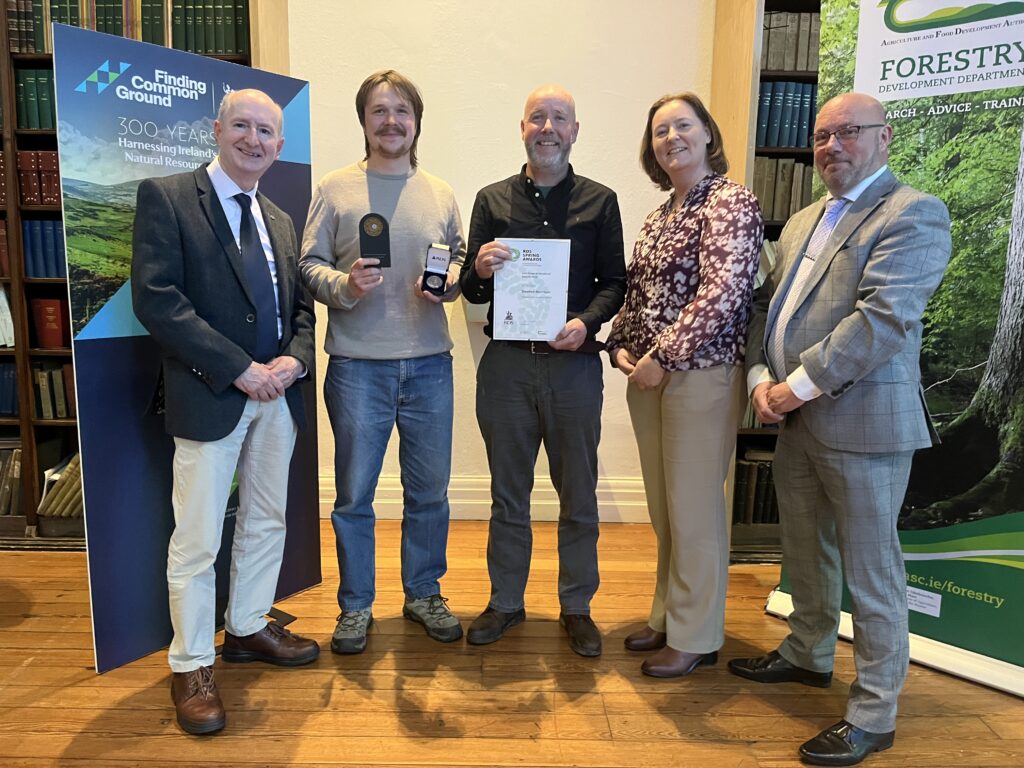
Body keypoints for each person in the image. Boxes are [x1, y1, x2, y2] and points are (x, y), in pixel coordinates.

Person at [728, 92, 951, 766]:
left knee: (872, 569)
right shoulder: (800, 221)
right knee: (806, 550)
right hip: (795, 419)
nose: (831, 147)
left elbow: (882, 321)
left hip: (865, 425)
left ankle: (875, 712)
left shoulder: (913, 214)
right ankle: (807, 653)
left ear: (884, 138)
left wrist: (789, 389)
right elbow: (765, 311)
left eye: (848, 133)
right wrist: (758, 380)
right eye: (822, 136)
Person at [131, 88, 319, 736]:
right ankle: (190, 665)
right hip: (213, 393)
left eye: (266, 131)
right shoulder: (169, 197)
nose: (254, 139)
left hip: (278, 395)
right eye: (242, 125)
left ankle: (246, 627)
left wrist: (293, 362)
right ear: (216, 129)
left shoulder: (283, 220)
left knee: (266, 519)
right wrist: (240, 369)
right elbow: (158, 300)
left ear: (280, 144)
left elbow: (299, 310)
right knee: (198, 539)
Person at [299, 70, 466, 655]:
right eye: (378, 110)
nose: (390, 120)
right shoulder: (336, 188)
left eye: (401, 110)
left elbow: (459, 263)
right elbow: (309, 264)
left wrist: (445, 288)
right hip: (357, 369)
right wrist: (345, 285)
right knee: (353, 497)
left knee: (430, 493)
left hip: (429, 366)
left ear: (417, 121)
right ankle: (355, 607)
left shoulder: (442, 193)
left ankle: (423, 593)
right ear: (363, 121)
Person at [459, 84, 626, 657]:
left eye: (559, 118)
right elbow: (472, 287)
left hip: (573, 368)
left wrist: (586, 322)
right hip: (506, 368)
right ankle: (506, 601)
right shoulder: (491, 199)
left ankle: (576, 606)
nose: (548, 127)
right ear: (523, 128)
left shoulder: (600, 202)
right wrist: (477, 265)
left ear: (574, 131)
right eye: (538, 118)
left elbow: (615, 283)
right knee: (509, 494)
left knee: (578, 494)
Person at [606, 93, 763, 677]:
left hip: (701, 375)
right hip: (646, 378)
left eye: (682, 125)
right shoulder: (659, 214)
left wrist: (664, 356)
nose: (670, 137)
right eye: (659, 130)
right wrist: (620, 343)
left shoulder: (730, 203)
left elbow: (724, 294)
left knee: (695, 511)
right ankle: (668, 614)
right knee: (665, 510)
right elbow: (638, 293)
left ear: (706, 133)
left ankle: (697, 635)